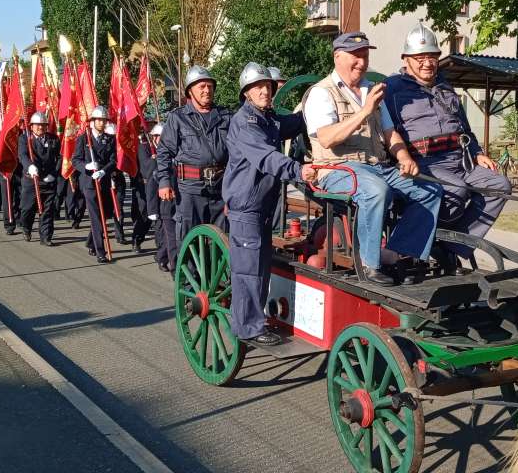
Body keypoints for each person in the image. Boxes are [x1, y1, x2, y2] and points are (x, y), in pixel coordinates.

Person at [301, 31, 443, 285]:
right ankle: (369, 264)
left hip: (377, 167)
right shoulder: (321, 93)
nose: (362, 62)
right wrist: (365, 111)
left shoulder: (370, 90)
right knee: (376, 191)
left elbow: (390, 133)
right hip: (336, 169)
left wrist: (404, 157)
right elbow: (327, 139)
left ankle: (400, 254)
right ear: (337, 57)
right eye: (355, 56)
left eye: (365, 56)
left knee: (430, 189)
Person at [383, 22, 511, 267]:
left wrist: (477, 153)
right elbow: (384, 130)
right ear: (406, 59)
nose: (427, 63)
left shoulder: (445, 87)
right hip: (425, 163)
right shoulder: (392, 88)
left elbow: (465, 128)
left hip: (459, 158)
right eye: (419, 57)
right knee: (456, 189)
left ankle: (452, 246)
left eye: (432, 56)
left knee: (500, 185)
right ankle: (426, 239)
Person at [224, 62, 314, 346]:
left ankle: (254, 319)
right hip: (246, 206)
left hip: (263, 205)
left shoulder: (269, 119)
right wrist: (298, 170)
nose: (264, 90)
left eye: (267, 86)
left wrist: (315, 102)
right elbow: (266, 157)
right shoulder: (245, 123)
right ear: (246, 93)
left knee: (262, 266)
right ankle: (248, 327)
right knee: (248, 269)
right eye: (257, 87)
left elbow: (296, 122)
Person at [156, 65, 231, 242]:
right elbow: (164, 151)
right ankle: (188, 269)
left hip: (220, 189)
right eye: (202, 87)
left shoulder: (226, 116)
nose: (207, 90)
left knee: (220, 240)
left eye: (210, 86)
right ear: (190, 91)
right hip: (190, 190)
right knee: (190, 239)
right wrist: (164, 182)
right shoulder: (178, 118)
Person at [72, 106, 116, 264]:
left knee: (105, 213)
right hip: (89, 183)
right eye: (99, 120)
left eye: (104, 120)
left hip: (103, 180)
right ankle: (100, 251)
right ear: (92, 121)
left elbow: (113, 160)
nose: (102, 123)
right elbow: (75, 160)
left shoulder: (110, 139)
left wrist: (103, 171)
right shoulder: (84, 138)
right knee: (97, 216)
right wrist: (87, 166)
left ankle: (91, 241)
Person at [18, 112, 61, 245]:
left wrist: (54, 174)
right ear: (31, 126)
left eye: (43, 125)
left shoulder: (53, 139)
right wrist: (30, 166)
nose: (40, 127)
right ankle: (26, 227)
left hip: (48, 180)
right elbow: (22, 155)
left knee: (47, 210)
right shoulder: (25, 139)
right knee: (27, 209)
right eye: (37, 125)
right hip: (31, 179)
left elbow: (59, 158)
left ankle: (46, 236)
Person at [144, 123, 176, 273]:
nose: (160, 139)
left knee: (169, 235)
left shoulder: (172, 153)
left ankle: (162, 256)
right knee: (164, 235)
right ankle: (162, 258)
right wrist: (152, 209)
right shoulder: (153, 158)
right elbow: (151, 185)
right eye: (157, 136)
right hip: (159, 202)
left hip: (174, 198)